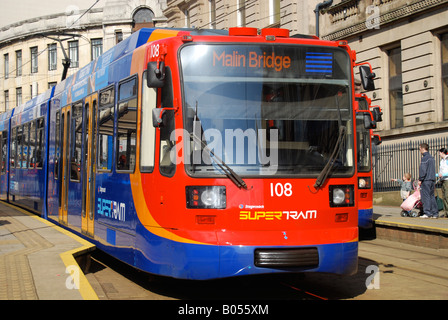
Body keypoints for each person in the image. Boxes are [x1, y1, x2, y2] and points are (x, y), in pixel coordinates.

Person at [418, 143, 438, 218]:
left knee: (425, 196)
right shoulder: (432, 158)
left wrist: (420, 179)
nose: (419, 150)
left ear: (423, 149)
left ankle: (427, 213)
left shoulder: (424, 158)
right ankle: (435, 213)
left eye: (420, 148)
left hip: (426, 180)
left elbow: (423, 170)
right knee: (432, 196)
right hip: (432, 180)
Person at [436, 148, 448, 217]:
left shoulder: (447, 160)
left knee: (447, 196)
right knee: (444, 197)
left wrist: (443, 175)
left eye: (439, 153)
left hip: (447, 180)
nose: (439, 154)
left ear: (442, 152)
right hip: (443, 180)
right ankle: (446, 212)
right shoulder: (442, 161)